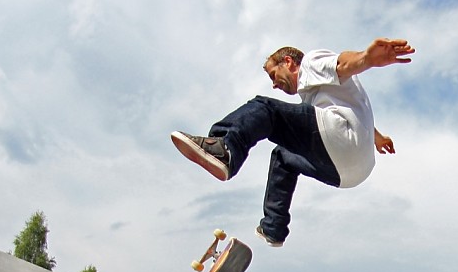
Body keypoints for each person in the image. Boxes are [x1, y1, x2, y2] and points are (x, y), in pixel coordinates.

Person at [171, 38, 414, 247]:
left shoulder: (310, 63)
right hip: (352, 170)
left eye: (273, 75)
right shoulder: (319, 95)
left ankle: (224, 148)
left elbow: (342, 64)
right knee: (283, 156)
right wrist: (377, 138)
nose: (274, 84)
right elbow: (353, 111)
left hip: (341, 142)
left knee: (265, 109)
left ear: (288, 62)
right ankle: (273, 228)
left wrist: (366, 58)